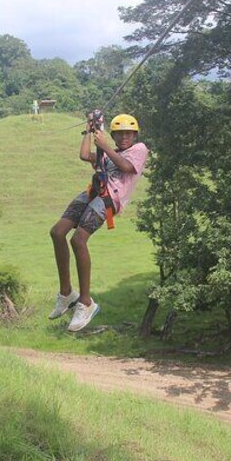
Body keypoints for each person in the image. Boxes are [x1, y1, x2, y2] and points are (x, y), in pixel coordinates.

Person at [48, 113, 149, 331]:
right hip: (94, 192)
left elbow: (125, 167)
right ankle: (66, 294)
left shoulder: (139, 150)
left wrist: (105, 145)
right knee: (57, 232)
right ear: (113, 135)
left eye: (128, 134)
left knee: (78, 241)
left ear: (135, 135)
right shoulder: (106, 153)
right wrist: (89, 129)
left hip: (109, 199)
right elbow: (85, 155)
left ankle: (86, 302)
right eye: (119, 134)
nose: (124, 138)